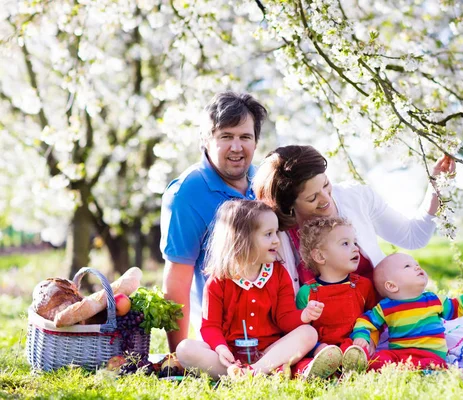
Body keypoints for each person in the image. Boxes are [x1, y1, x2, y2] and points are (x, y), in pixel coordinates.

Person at [252, 145, 455, 295]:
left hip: (380, 318)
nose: (326, 199)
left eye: (325, 184)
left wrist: (436, 184)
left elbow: (414, 237)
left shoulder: (355, 198)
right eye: (312, 198)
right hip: (323, 333)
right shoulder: (275, 231)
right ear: (289, 206)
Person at [176, 200, 336, 379]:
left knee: (308, 333)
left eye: (276, 233)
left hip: (269, 352)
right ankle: (250, 373)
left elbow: (284, 318)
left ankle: (253, 372)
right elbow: (210, 326)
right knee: (185, 349)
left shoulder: (278, 273)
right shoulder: (218, 281)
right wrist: (221, 349)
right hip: (229, 357)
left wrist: (303, 316)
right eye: (268, 234)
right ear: (242, 239)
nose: (276, 240)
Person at [160, 92, 267, 352]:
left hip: (272, 320)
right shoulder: (187, 193)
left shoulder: (264, 180)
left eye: (245, 137)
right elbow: (177, 280)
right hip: (221, 333)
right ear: (206, 140)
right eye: (226, 137)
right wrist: (178, 353)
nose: (236, 147)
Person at [350, 253, 463, 370]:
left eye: (417, 264)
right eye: (408, 266)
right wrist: (362, 336)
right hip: (399, 354)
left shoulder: (434, 300)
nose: (417, 267)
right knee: (378, 359)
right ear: (392, 286)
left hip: (430, 354)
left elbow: (460, 306)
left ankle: (418, 370)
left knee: (433, 366)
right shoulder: (386, 307)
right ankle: (399, 369)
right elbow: (365, 321)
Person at [295, 216, 378, 375]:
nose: (356, 248)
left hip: (353, 344)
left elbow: (373, 318)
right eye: (345, 243)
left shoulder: (363, 286)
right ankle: (312, 372)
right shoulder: (307, 292)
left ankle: (352, 367)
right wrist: (316, 347)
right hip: (322, 350)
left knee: (362, 354)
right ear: (319, 256)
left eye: (355, 242)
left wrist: (368, 339)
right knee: (301, 364)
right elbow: (301, 329)